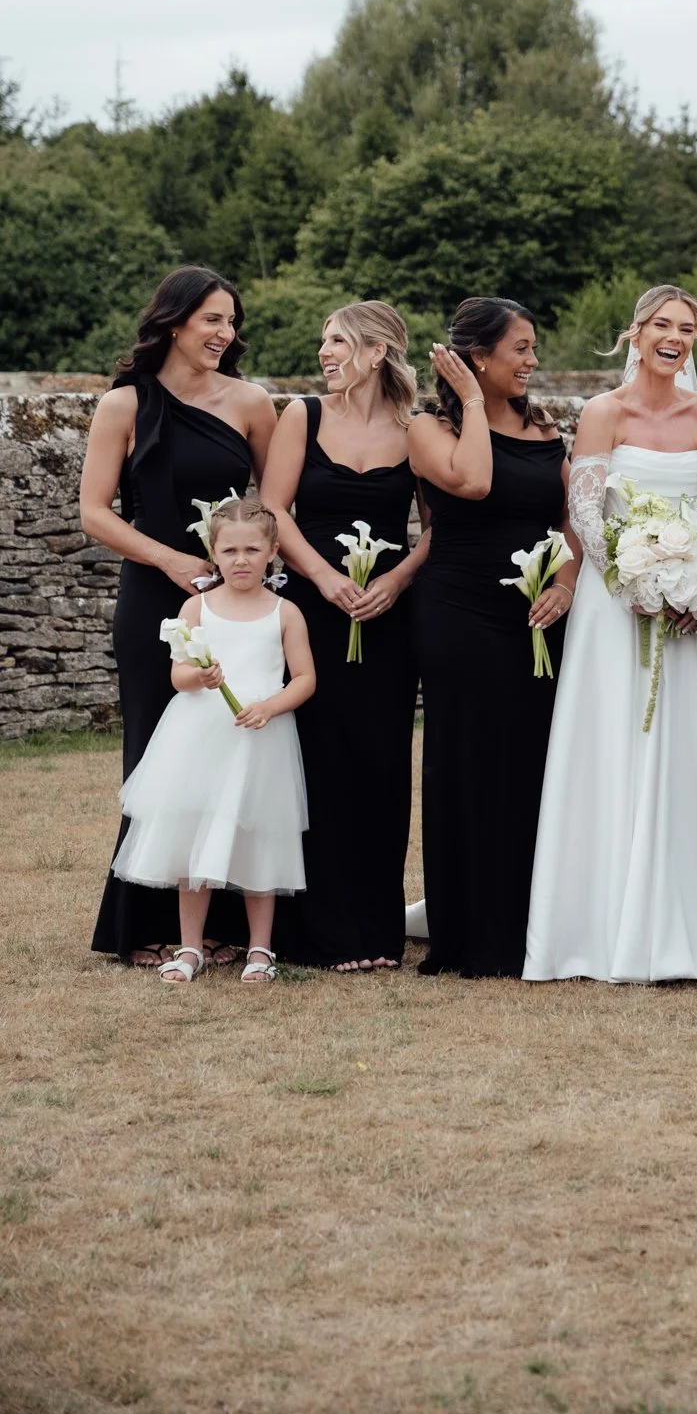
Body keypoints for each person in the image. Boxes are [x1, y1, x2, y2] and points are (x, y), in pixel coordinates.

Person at [524, 283, 697, 984]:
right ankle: (605, 926)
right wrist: (639, 585)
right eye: (661, 325)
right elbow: (587, 515)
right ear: (633, 335)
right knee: (617, 749)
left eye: (687, 328)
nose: (674, 336)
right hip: (617, 607)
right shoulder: (603, 412)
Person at [81, 266, 277, 966]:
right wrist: (166, 561)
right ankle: (143, 926)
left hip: (234, 604)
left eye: (231, 323)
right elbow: (94, 511)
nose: (225, 334)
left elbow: (277, 504)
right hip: (155, 602)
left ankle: (221, 927)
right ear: (173, 322)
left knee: (228, 754)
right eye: (212, 321)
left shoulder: (253, 403)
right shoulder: (124, 406)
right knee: (154, 757)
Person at [408, 297, 578, 978]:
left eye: (534, 349)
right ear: (477, 359)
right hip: (457, 612)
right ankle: (469, 931)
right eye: (521, 349)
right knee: (468, 763)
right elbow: (471, 482)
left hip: (534, 616)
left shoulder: (547, 431)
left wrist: (563, 584)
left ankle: (531, 920)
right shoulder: (424, 427)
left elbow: (572, 524)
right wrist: (473, 405)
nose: (533, 362)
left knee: (532, 764)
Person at [263, 302, 428, 973]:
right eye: (324, 339)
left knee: (382, 766)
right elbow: (274, 507)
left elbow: (439, 525)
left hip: (387, 620)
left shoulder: (416, 429)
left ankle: (375, 932)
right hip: (313, 612)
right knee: (316, 764)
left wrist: (399, 579)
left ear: (377, 351)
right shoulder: (301, 414)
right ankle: (316, 933)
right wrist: (326, 578)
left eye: (337, 341)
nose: (325, 352)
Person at [112, 499, 315, 985]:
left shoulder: (285, 613)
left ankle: (261, 948)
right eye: (229, 550)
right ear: (213, 552)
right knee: (194, 840)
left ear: (273, 552)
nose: (240, 559)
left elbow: (305, 679)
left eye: (251, 549)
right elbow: (177, 674)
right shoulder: (196, 606)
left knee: (260, 838)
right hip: (200, 737)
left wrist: (269, 705)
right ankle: (189, 947)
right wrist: (198, 677)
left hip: (260, 738)